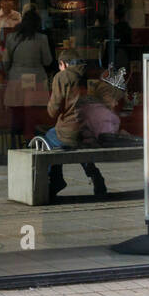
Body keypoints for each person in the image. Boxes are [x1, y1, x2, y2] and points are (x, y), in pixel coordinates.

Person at [44, 49, 117, 198]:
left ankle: (55, 180)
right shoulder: (88, 75)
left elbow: (54, 110)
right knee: (79, 144)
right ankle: (95, 176)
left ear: (62, 64)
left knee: (49, 138)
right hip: (90, 131)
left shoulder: (62, 76)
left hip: (71, 132)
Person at [2, 9, 53, 141]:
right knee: (33, 110)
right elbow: (47, 60)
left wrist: (9, 72)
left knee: (17, 110)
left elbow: (6, 61)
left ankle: (15, 138)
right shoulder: (42, 38)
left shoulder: (11, 37)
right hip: (36, 78)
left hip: (16, 78)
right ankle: (31, 136)